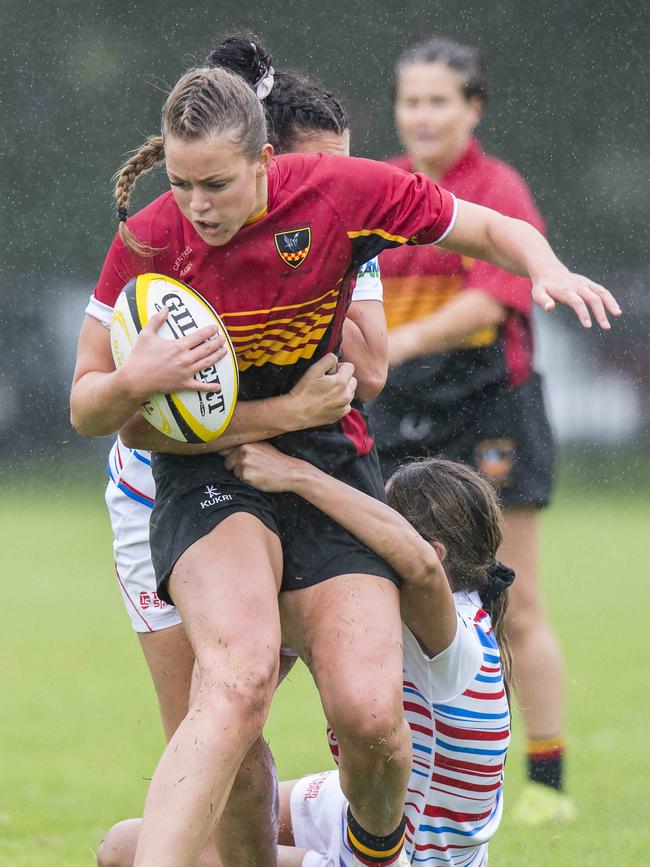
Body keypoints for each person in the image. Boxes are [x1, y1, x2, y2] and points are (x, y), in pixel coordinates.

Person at [70, 51, 617, 867]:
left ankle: (375, 855)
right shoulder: (151, 241)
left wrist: (545, 265)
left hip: (328, 460)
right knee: (237, 682)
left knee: (368, 715)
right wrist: (138, 380)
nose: (196, 206)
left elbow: (485, 231)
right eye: (181, 185)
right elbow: (97, 411)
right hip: (206, 474)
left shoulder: (342, 192)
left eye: (215, 185)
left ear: (266, 162)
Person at [96, 35, 386, 867]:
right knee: (216, 722)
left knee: (310, 701)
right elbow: (125, 413)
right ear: (272, 163)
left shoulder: (338, 228)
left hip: (286, 483)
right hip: (161, 491)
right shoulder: (187, 230)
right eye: (319, 171)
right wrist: (281, 398)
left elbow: (370, 370)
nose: (335, 188)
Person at [97, 447, 515, 867]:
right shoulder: (438, 620)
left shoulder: (454, 639)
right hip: (351, 805)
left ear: (433, 551)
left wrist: (298, 475)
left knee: (123, 853)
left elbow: (421, 569)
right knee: (136, 837)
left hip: (413, 855)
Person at [368, 37, 581, 823]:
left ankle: (546, 782)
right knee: (393, 593)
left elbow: (490, 301)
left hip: (491, 407)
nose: (421, 115)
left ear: (473, 108)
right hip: (398, 411)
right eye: (409, 101)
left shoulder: (498, 189)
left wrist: (390, 343)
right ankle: (415, 770)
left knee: (507, 596)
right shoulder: (382, 187)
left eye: (438, 101)